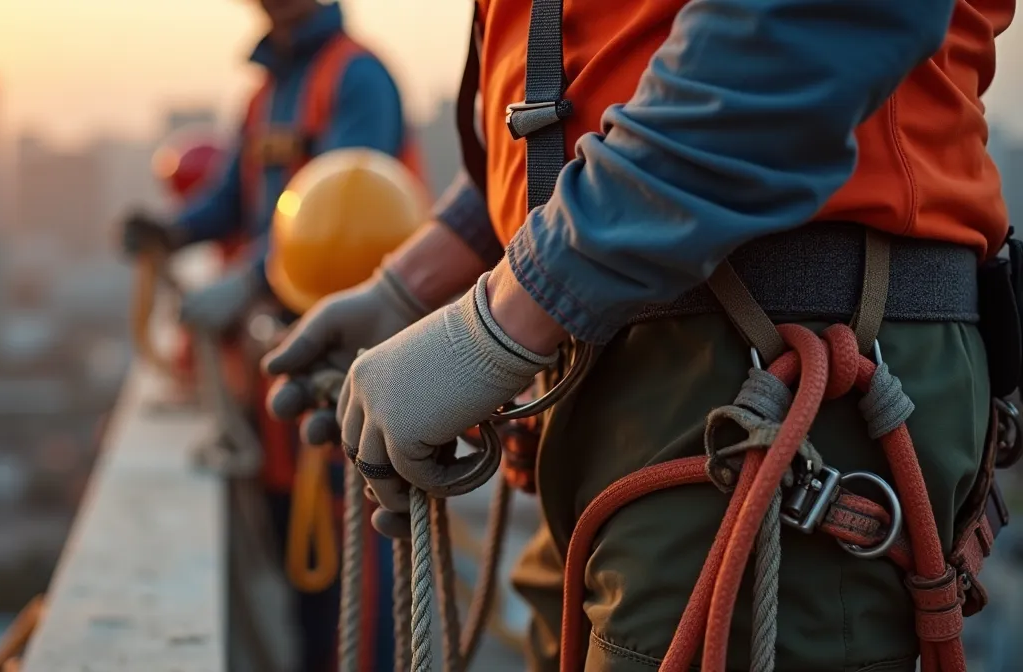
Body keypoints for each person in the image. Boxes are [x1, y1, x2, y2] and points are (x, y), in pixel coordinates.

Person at [262, 0, 1015, 669]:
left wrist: (499, 322)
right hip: (620, 346)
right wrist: (417, 285)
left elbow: (808, 23)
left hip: (768, 366)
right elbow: (599, 74)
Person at [122, 1, 422, 670]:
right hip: (281, 366)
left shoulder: (357, 78)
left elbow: (346, 208)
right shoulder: (266, 93)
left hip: (351, 362)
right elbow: (235, 194)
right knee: (303, 570)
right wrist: (173, 232)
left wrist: (248, 279)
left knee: (356, 575)